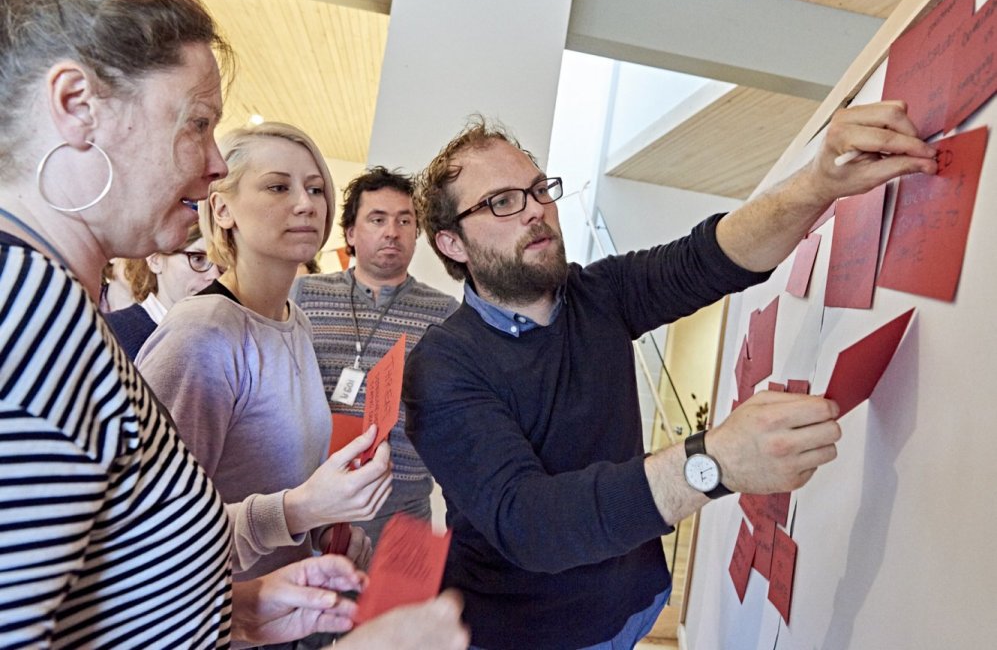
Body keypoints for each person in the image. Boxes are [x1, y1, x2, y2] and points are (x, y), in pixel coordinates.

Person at [0, 0, 468, 648]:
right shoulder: (28, 324)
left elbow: (100, 592)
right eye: (196, 123)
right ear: (77, 107)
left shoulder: (54, 311)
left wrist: (237, 611)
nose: (215, 163)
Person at [403, 109, 937, 649]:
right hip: (520, 637)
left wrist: (817, 183)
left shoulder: (599, 294)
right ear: (452, 244)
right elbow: (531, 523)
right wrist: (714, 461)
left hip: (631, 609)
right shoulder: (444, 365)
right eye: (501, 202)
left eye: (539, 190)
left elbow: (710, 258)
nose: (536, 211)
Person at [136, 123, 391, 593]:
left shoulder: (295, 321)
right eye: (278, 187)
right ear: (222, 208)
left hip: (284, 611)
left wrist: (320, 530)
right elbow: (151, 531)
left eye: (315, 189)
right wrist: (300, 511)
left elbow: (275, 483)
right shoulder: (203, 333)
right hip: (210, 615)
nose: (306, 204)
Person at [292, 166, 459, 545]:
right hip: (310, 506)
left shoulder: (446, 314)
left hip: (403, 514)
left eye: (405, 220)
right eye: (378, 219)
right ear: (351, 233)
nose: (392, 231)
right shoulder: (303, 295)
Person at [105, 221, 221, 358]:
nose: (216, 275)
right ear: (155, 260)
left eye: (222, 261)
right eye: (198, 258)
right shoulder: (109, 333)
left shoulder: (227, 334)